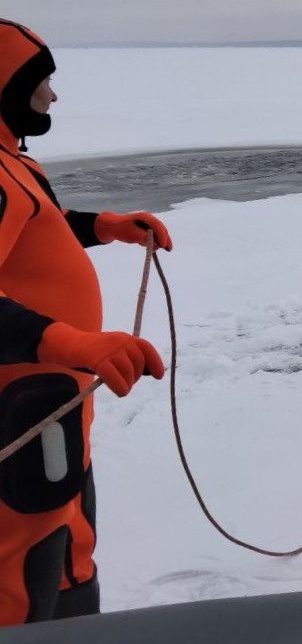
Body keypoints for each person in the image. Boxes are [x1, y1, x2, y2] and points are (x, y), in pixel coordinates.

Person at [0, 19, 172, 626]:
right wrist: (72, 342)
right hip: (20, 409)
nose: (52, 96)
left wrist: (105, 226)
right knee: (26, 562)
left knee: (72, 535)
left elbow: (38, 226)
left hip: (59, 400)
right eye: (40, 82)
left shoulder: (12, 161)